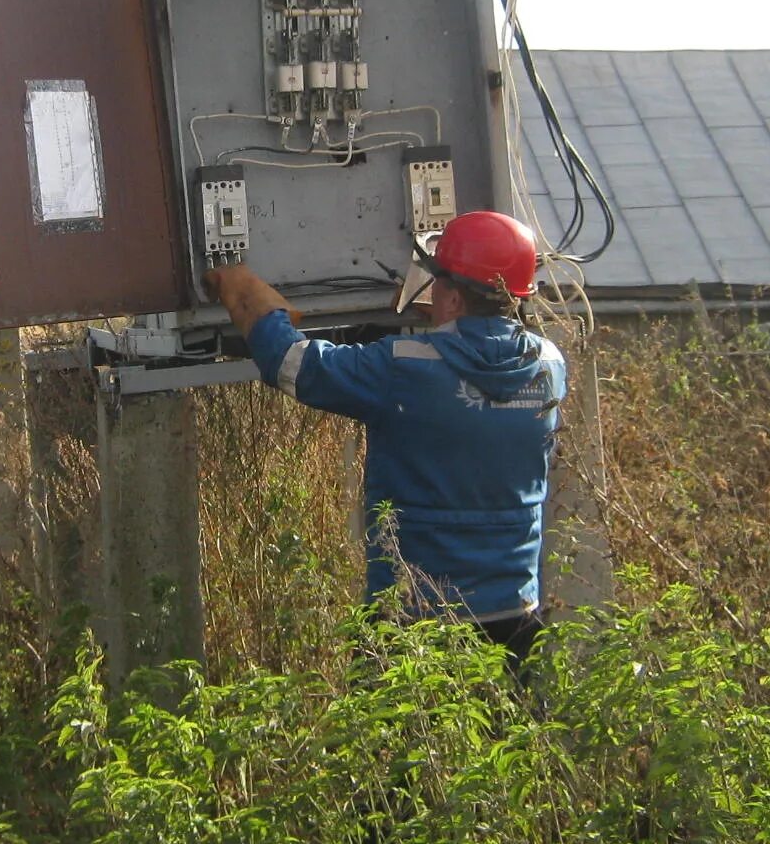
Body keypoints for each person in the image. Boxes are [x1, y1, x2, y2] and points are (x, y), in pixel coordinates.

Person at [203, 210, 565, 666]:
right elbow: (477, 362)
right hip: (514, 614)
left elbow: (291, 362)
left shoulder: (403, 367)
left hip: (414, 619)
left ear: (450, 298)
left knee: (399, 736)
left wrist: (240, 287)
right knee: (504, 734)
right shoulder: (549, 367)